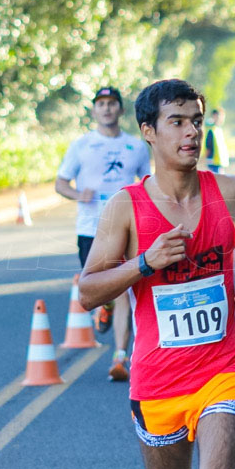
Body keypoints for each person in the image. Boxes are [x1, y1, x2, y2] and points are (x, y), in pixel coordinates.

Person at [78, 79, 235, 469]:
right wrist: (144, 262)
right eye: (177, 122)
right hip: (157, 378)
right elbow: (87, 292)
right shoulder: (126, 207)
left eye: (197, 121)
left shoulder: (230, 189)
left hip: (224, 366)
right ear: (148, 131)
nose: (191, 133)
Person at [54, 87, 151, 381]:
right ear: (94, 111)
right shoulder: (82, 145)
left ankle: (120, 356)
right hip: (90, 228)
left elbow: (147, 183)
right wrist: (76, 194)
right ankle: (104, 304)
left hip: (126, 227)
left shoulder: (136, 146)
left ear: (121, 110)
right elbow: (60, 183)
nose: (107, 109)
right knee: (100, 289)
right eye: (101, 105)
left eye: (112, 104)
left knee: (123, 290)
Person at [204, 108, 229, 173]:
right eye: (220, 116)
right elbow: (208, 147)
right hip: (213, 163)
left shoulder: (219, 130)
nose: (222, 119)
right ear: (214, 116)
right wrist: (205, 160)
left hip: (220, 163)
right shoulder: (211, 130)